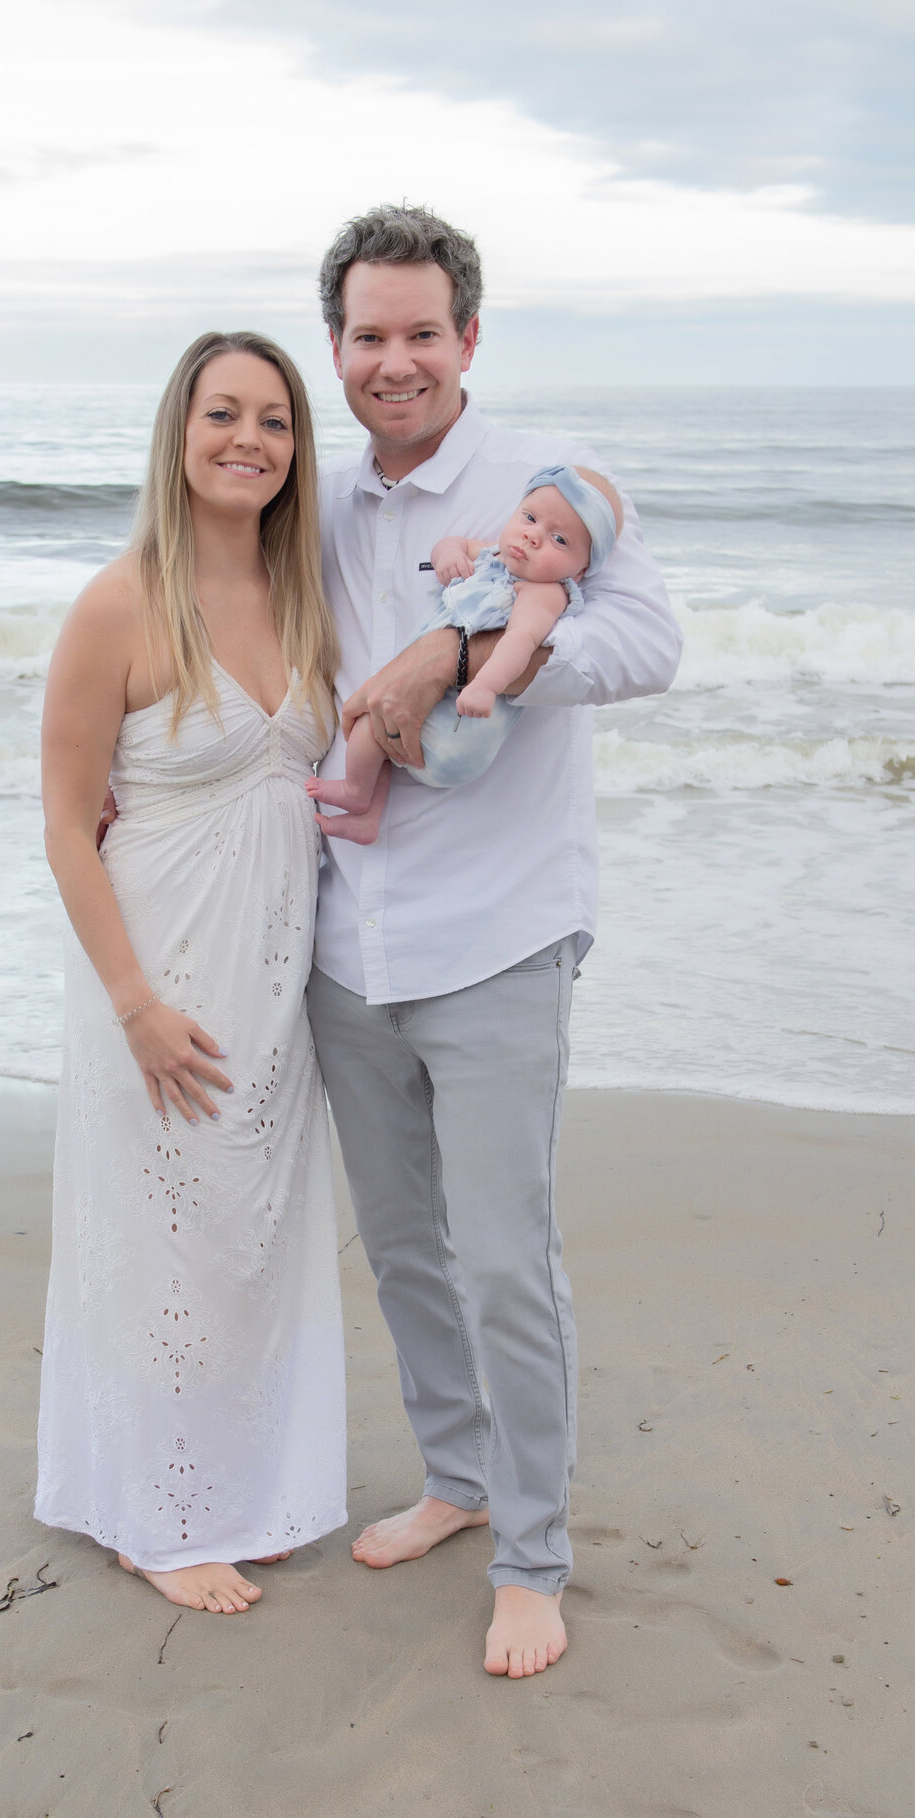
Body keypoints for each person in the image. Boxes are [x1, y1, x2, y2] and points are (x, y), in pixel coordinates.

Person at [305, 205, 682, 1678]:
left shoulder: (550, 487)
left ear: (469, 337)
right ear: (337, 345)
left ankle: (535, 1552)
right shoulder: (326, 503)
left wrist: (471, 652)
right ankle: (457, 1482)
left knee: (509, 1262)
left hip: (501, 938)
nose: (393, 362)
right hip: (353, 944)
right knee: (404, 1250)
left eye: (420, 333)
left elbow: (651, 643)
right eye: (367, 335)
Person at [35, 331, 347, 1616]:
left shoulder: (308, 592)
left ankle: (238, 1486)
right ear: (179, 432)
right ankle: (153, 1518)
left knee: (250, 1236)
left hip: (279, 977)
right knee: (161, 1234)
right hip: (156, 973)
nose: (250, 440)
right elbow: (63, 820)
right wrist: (135, 1008)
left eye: (275, 419)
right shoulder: (122, 600)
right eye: (224, 413)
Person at [307, 464, 623, 842]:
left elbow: (518, 644)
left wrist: (484, 687)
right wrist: (447, 555)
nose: (533, 536)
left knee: (370, 724)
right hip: (429, 712)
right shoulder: (493, 558)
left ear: (581, 570)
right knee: (385, 721)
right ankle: (366, 817)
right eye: (530, 517)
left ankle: (356, 792)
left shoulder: (544, 593)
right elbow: (453, 542)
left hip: (455, 729)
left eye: (559, 539)